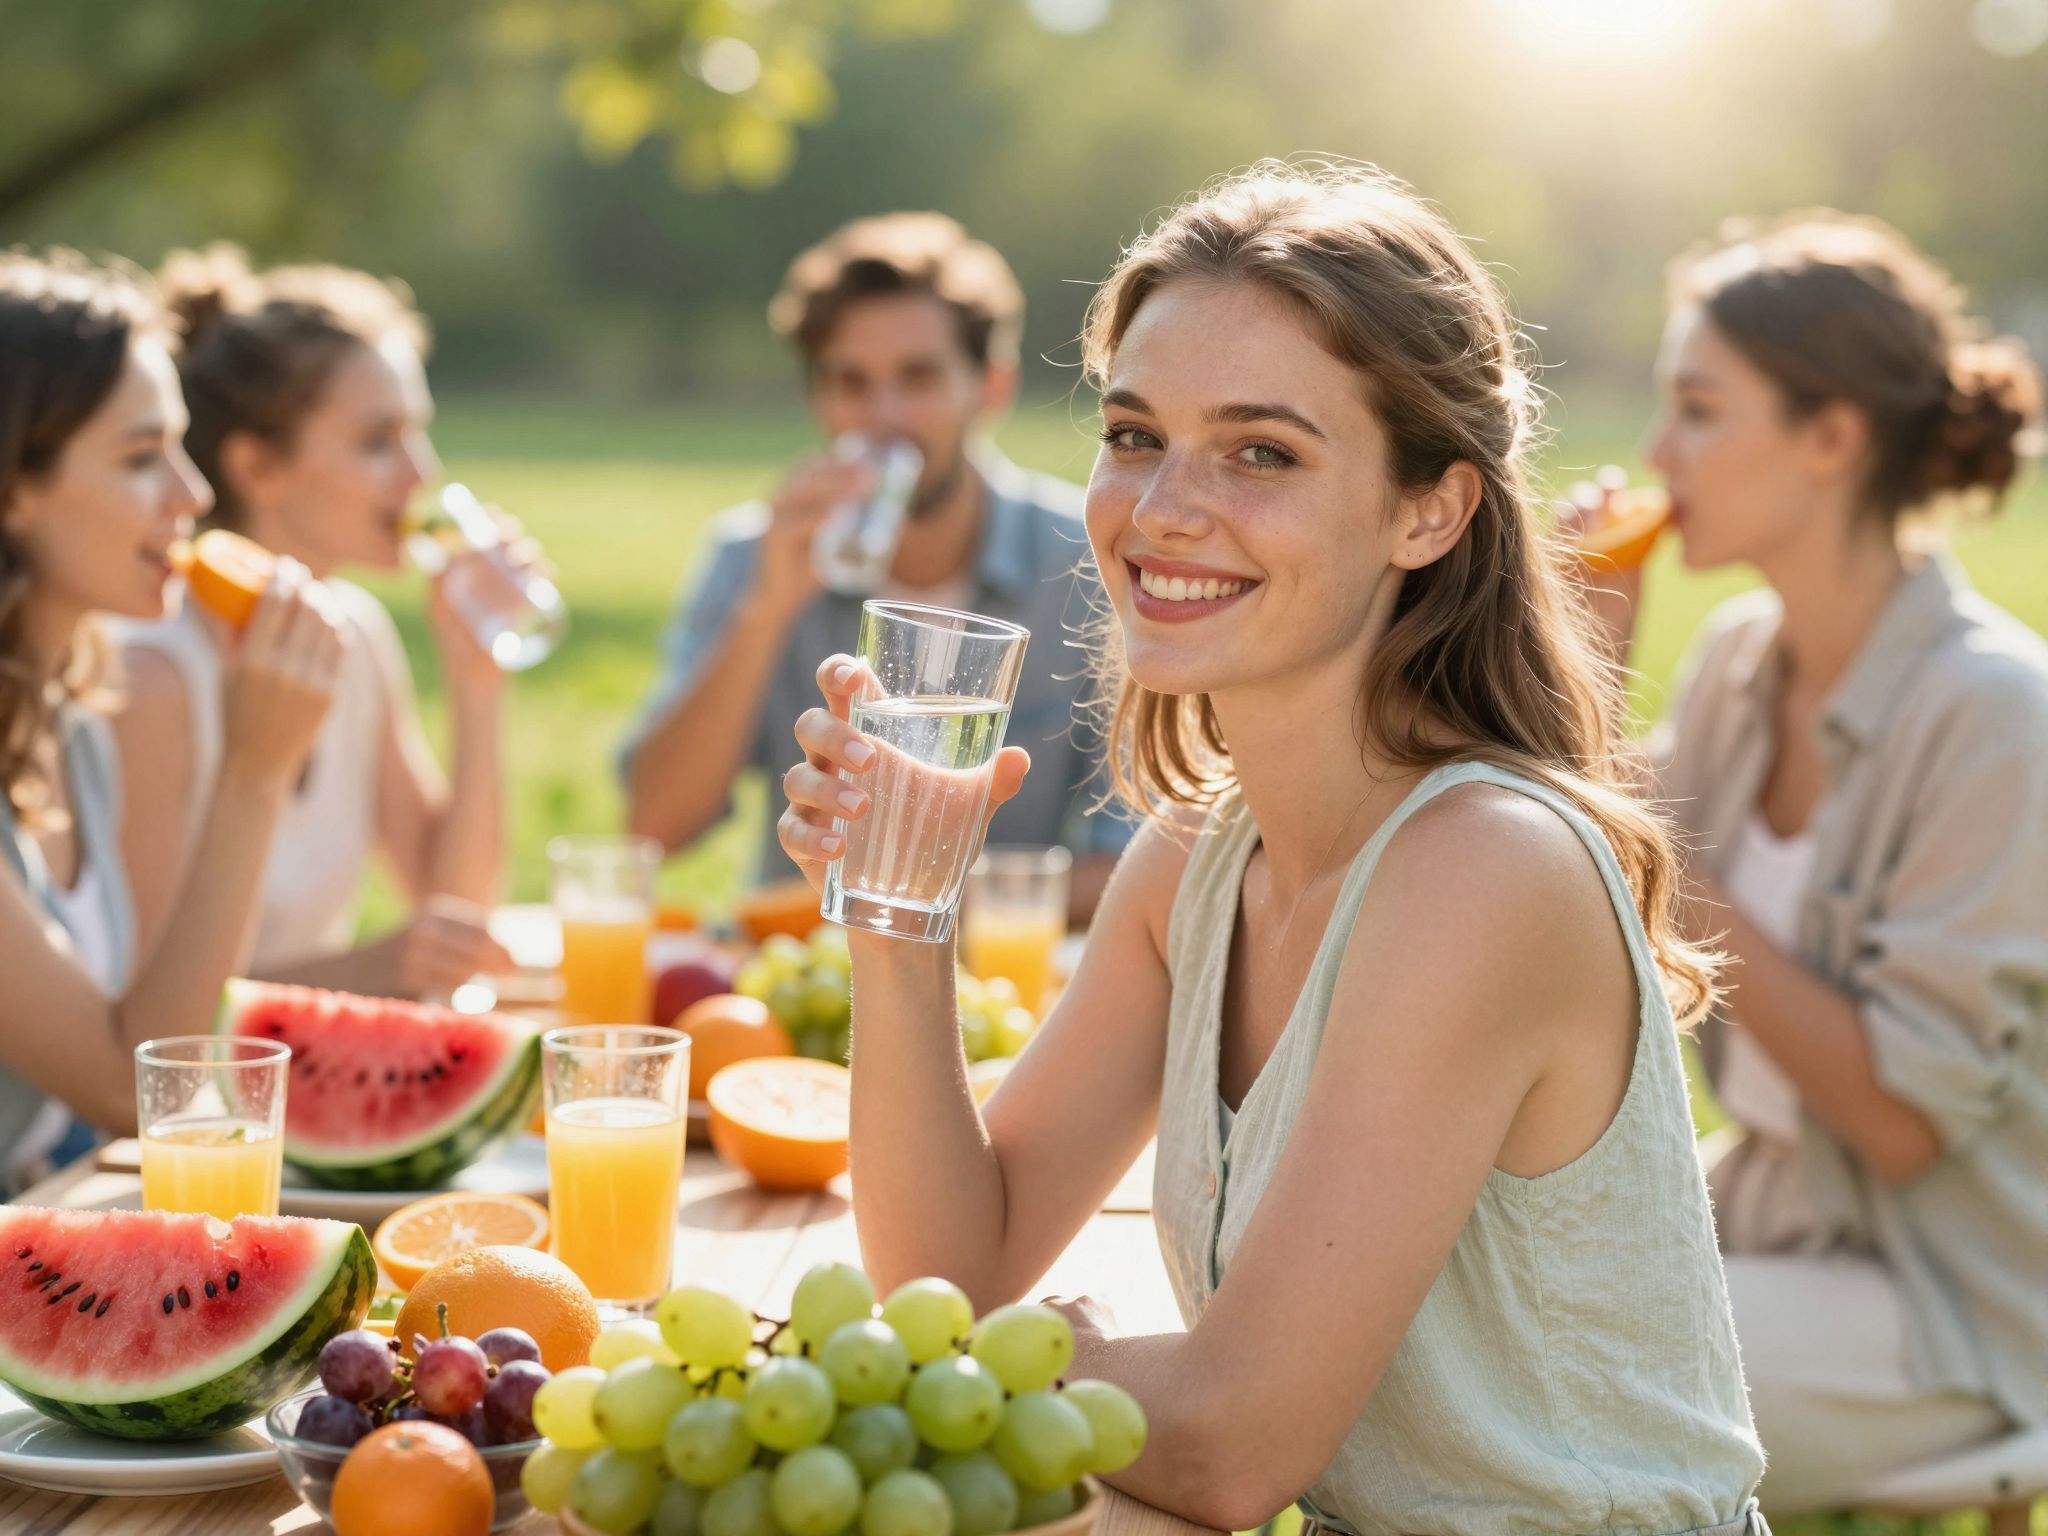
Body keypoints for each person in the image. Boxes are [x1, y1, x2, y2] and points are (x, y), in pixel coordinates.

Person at [775, 164, 1767, 1532]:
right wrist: (898, 916)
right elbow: (950, 1273)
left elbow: (1230, 1448)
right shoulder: (1199, 858)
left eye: (1263, 452)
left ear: (1431, 510)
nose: (1163, 507)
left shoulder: (1486, 869)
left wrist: (1029, 1359)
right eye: (1134, 434)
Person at [1578, 211, 2048, 1514]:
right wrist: (1580, 680)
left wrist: (1643, 818)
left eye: (1699, 409)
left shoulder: (1997, 713)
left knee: (1568, 1389)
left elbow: (1901, 1129)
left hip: (1957, 1295)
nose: (1658, 454)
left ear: (1832, 438)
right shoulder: (1738, 660)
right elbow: (1593, 901)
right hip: (1771, 1213)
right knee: (1466, 1304)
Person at [621, 213, 1130, 920]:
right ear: (817, 398)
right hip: (804, 982)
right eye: (852, 382)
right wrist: (766, 609)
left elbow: (1145, 857)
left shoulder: (1087, 559)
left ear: (990, 387)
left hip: (999, 984)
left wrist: (899, 903)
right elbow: (653, 826)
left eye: (918, 377)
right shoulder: (753, 555)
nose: (883, 414)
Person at [0, 251, 343, 1187]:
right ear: (15, 489)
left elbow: (168, 1027)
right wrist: (255, 774)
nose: (192, 496)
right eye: (141, 458)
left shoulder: (75, 718)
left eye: (182, 448)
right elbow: (132, 1086)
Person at [112, 245, 512, 1000]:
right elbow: (143, 1017)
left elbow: (455, 911)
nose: (422, 473)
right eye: (377, 441)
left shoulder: (354, 636)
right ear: (256, 468)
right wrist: (363, 973)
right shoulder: (154, 671)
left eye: (418, 432)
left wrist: (476, 679)